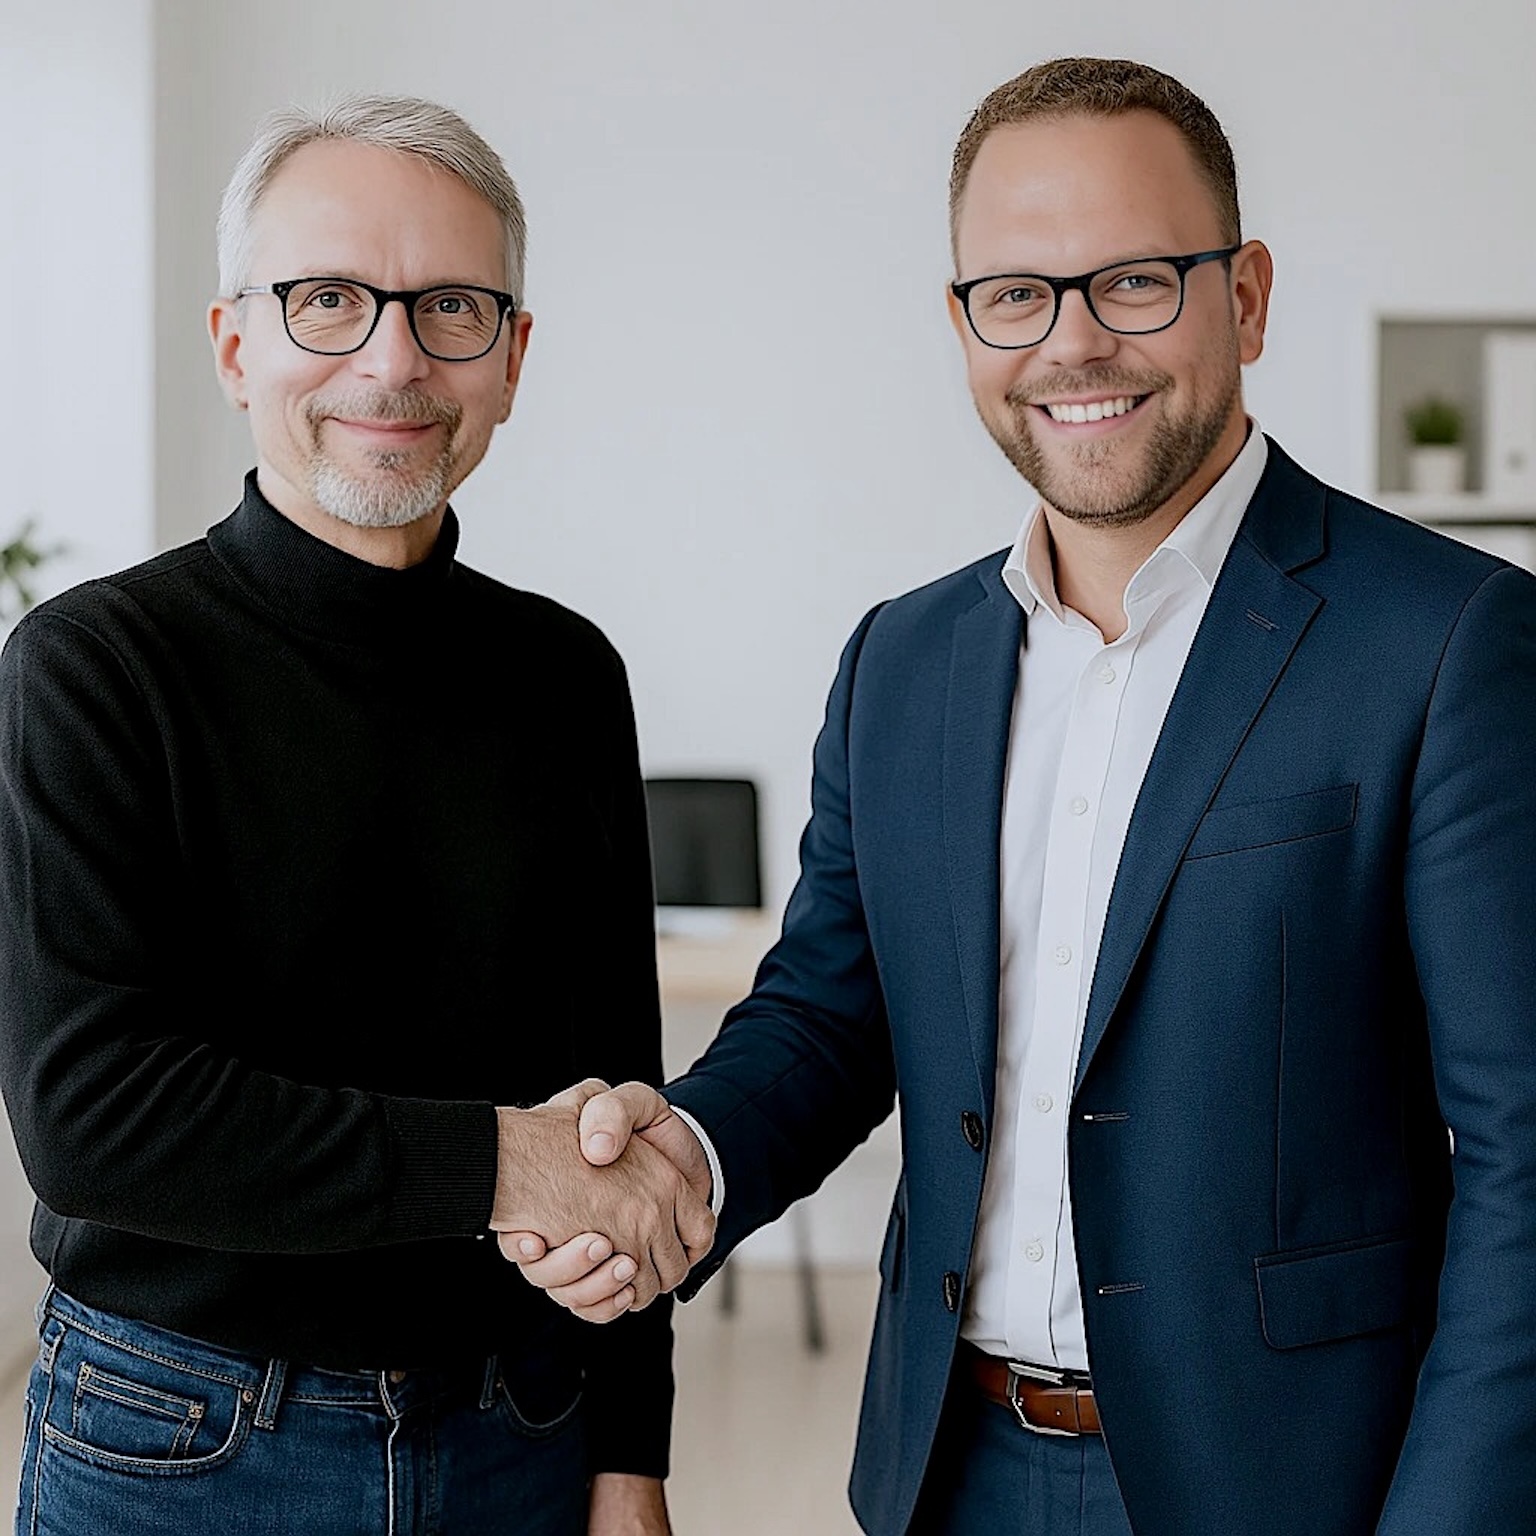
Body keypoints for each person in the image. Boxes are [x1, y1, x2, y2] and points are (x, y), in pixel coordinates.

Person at [510, 56, 1536, 1536]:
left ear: (1246, 297)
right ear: (963, 324)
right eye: (1016, 294)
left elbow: (1521, 1160)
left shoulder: (1446, 644)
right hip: (950, 1471)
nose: (1074, 341)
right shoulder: (902, 660)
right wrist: (690, 1155)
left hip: (1296, 1486)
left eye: (1136, 281)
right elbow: (828, 1017)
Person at [0, 94, 710, 1536]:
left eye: (451, 307)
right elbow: (90, 1116)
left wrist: (631, 1451)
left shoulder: (566, 675)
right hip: (180, 1445)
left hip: (523, 1428)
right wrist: (500, 1161)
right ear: (234, 346)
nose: (393, 360)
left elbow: (613, 1095)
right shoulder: (93, 667)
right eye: (327, 299)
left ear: (512, 359)